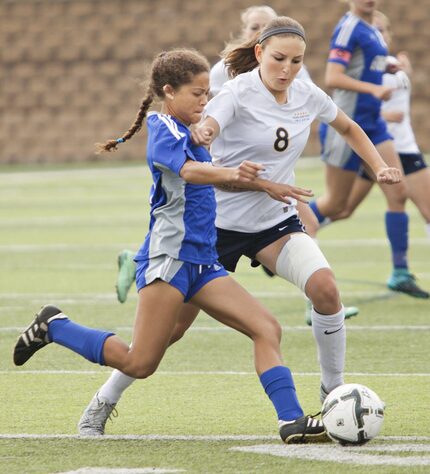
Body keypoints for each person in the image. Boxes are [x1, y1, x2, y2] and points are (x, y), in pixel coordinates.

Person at [75, 17, 401, 437]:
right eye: (279, 58)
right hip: (214, 229)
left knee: (326, 288)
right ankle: (105, 399)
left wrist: (381, 166)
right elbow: (207, 126)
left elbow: (349, 127)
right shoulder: (235, 92)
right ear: (260, 53)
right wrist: (206, 130)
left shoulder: (306, 93)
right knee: (168, 333)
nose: (288, 69)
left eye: (297, 61)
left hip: (273, 222)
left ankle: (333, 392)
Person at [13, 48, 331, 445]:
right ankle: (55, 326)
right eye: (198, 94)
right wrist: (236, 172)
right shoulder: (161, 126)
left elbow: (216, 177)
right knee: (139, 361)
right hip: (169, 261)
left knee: (266, 328)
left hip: (203, 261)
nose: (205, 101)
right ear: (169, 92)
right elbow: (190, 172)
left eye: (208, 93)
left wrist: (263, 183)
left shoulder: (196, 132)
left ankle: (291, 421)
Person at [115, 5, 359, 325]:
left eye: (267, 25)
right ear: (250, 39)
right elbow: (203, 119)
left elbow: (312, 107)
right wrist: (206, 132)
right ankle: (140, 260)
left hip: (271, 195)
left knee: (309, 232)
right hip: (223, 188)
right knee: (174, 322)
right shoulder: (224, 75)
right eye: (255, 26)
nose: (262, 30)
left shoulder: (293, 73)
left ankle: (315, 302)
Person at [306, 0, 429, 299]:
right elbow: (332, 78)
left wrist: (388, 66)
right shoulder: (349, 29)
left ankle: (400, 272)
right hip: (347, 126)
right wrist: (373, 89)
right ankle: (283, 234)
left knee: (398, 191)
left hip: (373, 124)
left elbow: (363, 67)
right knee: (337, 205)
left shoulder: (372, 30)